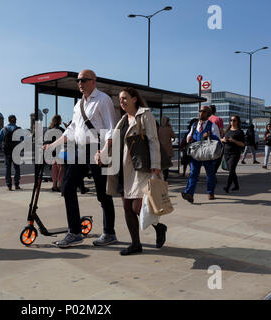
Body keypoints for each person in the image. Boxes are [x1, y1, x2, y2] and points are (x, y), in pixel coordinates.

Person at [44, 69, 117, 248]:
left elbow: (111, 128)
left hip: (97, 149)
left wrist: (105, 151)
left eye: (84, 80)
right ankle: (75, 232)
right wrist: (52, 146)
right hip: (80, 150)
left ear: (93, 81)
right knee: (67, 187)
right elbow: (71, 131)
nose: (80, 83)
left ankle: (109, 232)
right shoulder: (78, 105)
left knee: (103, 193)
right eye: (78, 80)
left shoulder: (103, 99)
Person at [97, 88, 167, 255]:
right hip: (122, 169)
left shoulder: (144, 115)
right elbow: (114, 142)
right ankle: (136, 244)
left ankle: (159, 227)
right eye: (120, 99)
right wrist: (102, 155)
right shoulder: (122, 120)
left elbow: (153, 140)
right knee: (127, 208)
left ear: (135, 99)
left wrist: (156, 164)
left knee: (137, 207)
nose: (122, 102)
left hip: (140, 168)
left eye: (125, 98)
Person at [181, 105, 221, 203]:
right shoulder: (195, 125)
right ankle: (189, 194)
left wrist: (210, 136)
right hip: (196, 153)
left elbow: (218, 141)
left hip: (207, 154)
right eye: (200, 111)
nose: (201, 113)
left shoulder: (213, 126)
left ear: (208, 114)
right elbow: (189, 135)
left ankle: (210, 191)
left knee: (210, 174)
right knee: (193, 173)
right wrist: (188, 139)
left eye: (203, 111)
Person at [221, 115, 245, 193]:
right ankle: (236, 186)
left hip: (235, 154)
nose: (232, 122)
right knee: (232, 170)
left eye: (234, 120)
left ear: (237, 121)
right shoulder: (227, 130)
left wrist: (234, 141)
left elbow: (242, 144)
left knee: (231, 169)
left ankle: (227, 187)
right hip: (226, 153)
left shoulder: (240, 132)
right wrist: (223, 140)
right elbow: (221, 139)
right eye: (231, 120)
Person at [0, 115, 21, 191]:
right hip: (16, 151)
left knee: (8, 168)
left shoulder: (3, 129)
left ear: (8, 120)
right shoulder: (18, 129)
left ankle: (9, 185)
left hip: (7, 151)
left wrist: (3, 147)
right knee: (17, 168)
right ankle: (16, 184)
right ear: (14, 120)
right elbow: (23, 139)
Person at [48, 115, 65, 192]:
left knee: (54, 167)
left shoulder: (50, 130)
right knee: (61, 168)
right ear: (59, 121)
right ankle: (59, 184)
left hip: (52, 152)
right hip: (60, 151)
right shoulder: (62, 130)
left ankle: (54, 184)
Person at [158, 116, 176, 181]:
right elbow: (174, 136)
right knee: (167, 165)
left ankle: (160, 177)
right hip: (168, 150)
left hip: (160, 150)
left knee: (161, 164)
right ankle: (165, 178)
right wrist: (170, 127)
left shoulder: (158, 129)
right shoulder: (169, 129)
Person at [209, 105, 224, 175]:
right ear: (215, 111)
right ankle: (213, 172)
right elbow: (221, 131)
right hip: (216, 142)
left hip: (207, 141)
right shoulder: (218, 119)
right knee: (218, 158)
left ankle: (210, 172)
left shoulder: (207, 119)